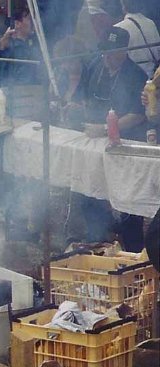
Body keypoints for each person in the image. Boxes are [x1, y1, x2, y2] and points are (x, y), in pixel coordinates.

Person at [80, 26, 147, 250]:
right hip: (95, 143)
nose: (107, 57)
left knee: (128, 197)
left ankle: (133, 248)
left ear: (123, 51)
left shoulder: (136, 75)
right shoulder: (95, 67)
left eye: (112, 52)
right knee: (92, 189)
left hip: (125, 144)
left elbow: (137, 115)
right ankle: (98, 238)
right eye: (105, 52)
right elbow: (85, 98)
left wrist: (105, 128)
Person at [0, 4, 41, 88]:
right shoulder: (7, 49)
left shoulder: (30, 47)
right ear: (17, 23)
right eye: (30, 19)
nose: (34, 23)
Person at [114, 0, 160, 77]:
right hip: (155, 75)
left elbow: (117, 60)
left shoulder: (118, 28)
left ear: (123, 6)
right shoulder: (151, 23)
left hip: (134, 77)